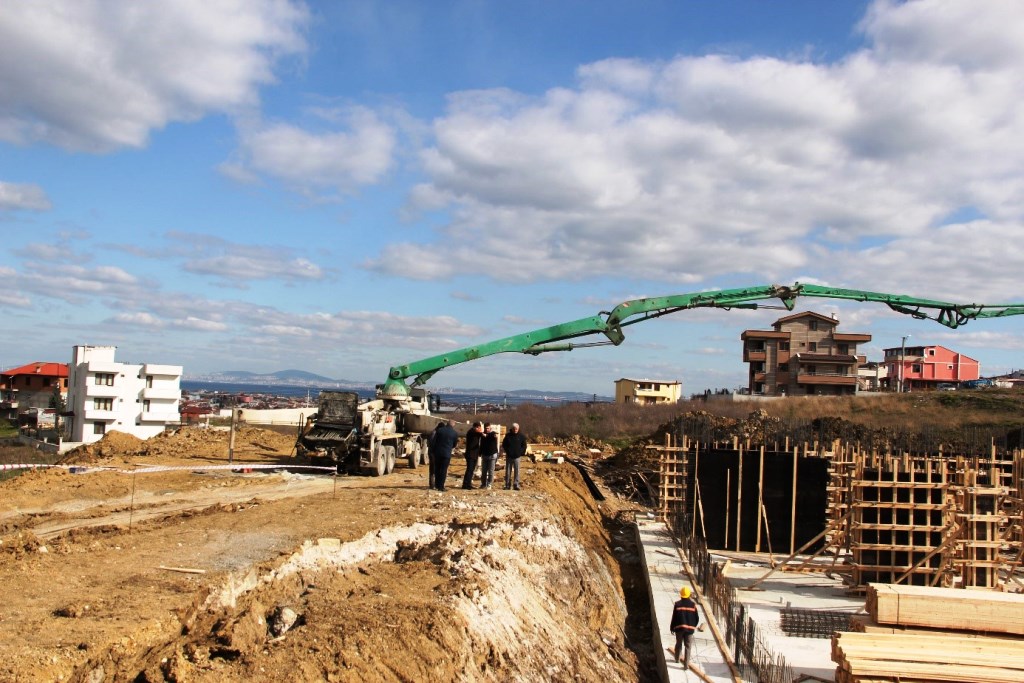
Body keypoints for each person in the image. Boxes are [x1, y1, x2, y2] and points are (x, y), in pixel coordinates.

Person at [669, 586, 700, 667]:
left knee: (678, 644)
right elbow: (697, 618)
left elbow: (674, 617)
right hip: (690, 629)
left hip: (679, 628)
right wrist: (693, 626)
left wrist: (672, 627)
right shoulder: (693, 605)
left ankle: (677, 659)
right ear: (689, 595)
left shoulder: (677, 604)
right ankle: (686, 664)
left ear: (681, 595)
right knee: (688, 646)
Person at [430, 419, 458, 492]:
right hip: (447, 454)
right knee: (443, 470)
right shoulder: (454, 433)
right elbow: (454, 444)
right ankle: (441, 486)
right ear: (453, 425)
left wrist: (432, 451)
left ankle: (436, 484)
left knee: (437, 469)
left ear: (447, 424)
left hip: (438, 452)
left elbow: (434, 441)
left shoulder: (439, 430)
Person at [501, 422, 527, 490]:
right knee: (508, 471)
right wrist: (507, 451)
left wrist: (520, 453)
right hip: (509, 456)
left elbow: (524, 446)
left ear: (518, 429)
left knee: (517, 471)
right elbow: (504, 444)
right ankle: (507, 485)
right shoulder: (508, 436)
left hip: (517, 457)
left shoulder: (522, 436)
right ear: (512, 429)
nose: (515, 430)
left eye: (516, 429)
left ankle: (516, 485)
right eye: (514, 429)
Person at [461, 421, 484, 490]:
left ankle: (468, 483)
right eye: (479, 428)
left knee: (471, 470)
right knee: (469, 470)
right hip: (470, 454)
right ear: (476, 427)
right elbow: (478, 434)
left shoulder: (474, 432)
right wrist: (482, 433)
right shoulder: (471, 432)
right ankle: (466, 484)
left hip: (474, 454)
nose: (480, 429)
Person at [479, 423, 499, 489]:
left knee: (491, 471)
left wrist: (486, 436)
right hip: (485, 455)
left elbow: (493, 436)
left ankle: (490, 484)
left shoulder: (492, 434)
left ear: (490, 428)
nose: (487, 429)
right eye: (486, 428)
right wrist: (480, 453)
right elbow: (481, 444)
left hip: (492, 455)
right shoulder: (483, 435)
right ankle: (483, 484)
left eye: (488, 428)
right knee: (484, 471)